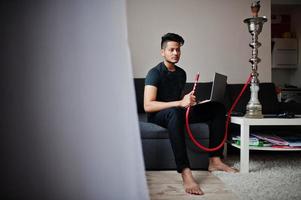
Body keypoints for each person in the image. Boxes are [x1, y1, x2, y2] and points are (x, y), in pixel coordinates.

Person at [144, 33, 237, 195]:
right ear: (162, 52)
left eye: (178, 50)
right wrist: (180, 103)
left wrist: (191, 103)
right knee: (174, 113)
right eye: (171, 50)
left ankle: (215, 160)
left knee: (217, 108)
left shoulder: (181, 73)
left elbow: (178, 100)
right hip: (158, 114)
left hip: (176, 111)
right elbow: (148, 105)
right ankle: (185, 171)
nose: (175, 53)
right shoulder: (154, 73)